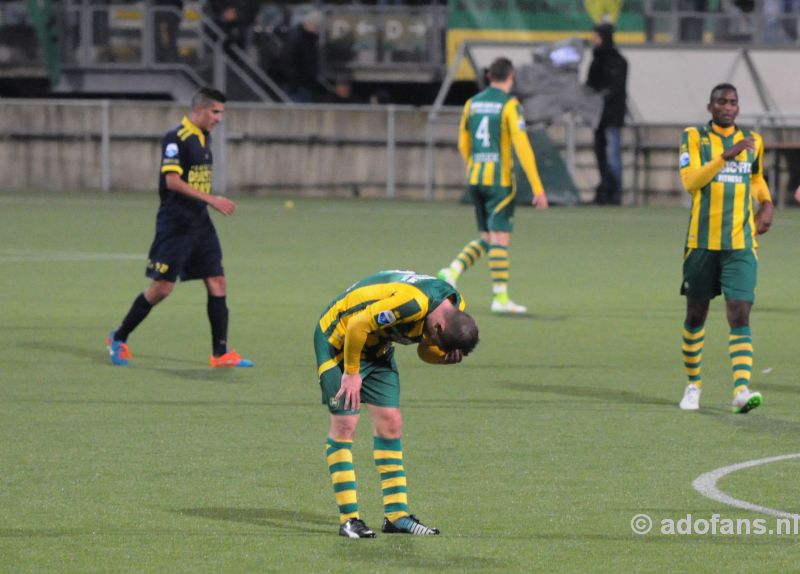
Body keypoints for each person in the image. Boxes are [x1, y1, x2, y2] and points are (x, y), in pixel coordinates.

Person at [316, 270, 479, 538]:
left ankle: (396, 516)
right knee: (346, 423)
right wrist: (352, 373)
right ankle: (349, 520)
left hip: (376, 347)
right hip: (339, 340)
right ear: (439, 326)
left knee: (391, 423)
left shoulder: (454, 308)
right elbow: (357, 324)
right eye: (439, 340)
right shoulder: (410, 304)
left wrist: (440, 357)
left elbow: (423, 351)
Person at [105, 87, 252, 369]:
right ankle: (118, 337)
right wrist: (212, 199)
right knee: (162, 289)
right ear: (199, 109)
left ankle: (220, 353)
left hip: (200, 223)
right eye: (215, 112)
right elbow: (172, 181)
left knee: (218, 281)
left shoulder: (203, 137)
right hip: (176, 225)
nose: (219, 118)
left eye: (221, 112)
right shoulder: (177, 138)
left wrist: (206, 204)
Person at [678, 83, 774, 414]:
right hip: (702, 243)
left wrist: (767, 202)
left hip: (741, 242)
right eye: (722, 101)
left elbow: (756, 177)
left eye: (733, 102)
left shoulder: (753, 142)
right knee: (696, 315)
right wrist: (724, 157)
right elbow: (690, 182)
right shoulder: (693, 137)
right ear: (710, 107)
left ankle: (741, 390)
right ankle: (693, 385)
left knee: (740, 311)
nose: (728, 107)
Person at [437, 57, 549, 315]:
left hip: (476, 178)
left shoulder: (472, 104)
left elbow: (463, 144)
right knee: (501, 238)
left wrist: (473, 167)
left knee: (487, 238)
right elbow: (522, 146)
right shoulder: (510, 105)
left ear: (489, 77)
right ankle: (500, 298)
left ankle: (452, 270)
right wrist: (537, 187)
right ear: (511, 77)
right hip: (499, 182)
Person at [586, 22, 628, 205]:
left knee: (612, 155)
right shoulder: (596, 60)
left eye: (596, 36)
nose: (594, 40)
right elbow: (590, 85)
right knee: (600, 153)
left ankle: (615, 191)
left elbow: (615, 90)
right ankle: (605, 188)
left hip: (612, 117)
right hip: (598, 118)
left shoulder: (619, 62)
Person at [280, 10, 321, 103]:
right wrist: (294, 80)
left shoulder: (310, 38)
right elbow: (288, 59)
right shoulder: (296, 37)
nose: (316, 29)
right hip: (296, 85)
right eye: (316, 26)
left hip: (305, 83)